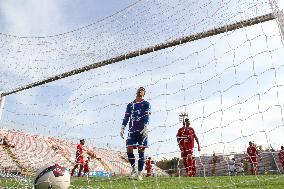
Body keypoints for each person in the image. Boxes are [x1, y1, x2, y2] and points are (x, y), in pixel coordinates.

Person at [120, 87, 151, 181]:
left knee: (141, 151)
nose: (141, 90)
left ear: (144, 93)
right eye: (140, 89)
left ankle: (139, 173)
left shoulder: (146, 104)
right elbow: (126, 117)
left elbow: (147, 116)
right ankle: (133, 169)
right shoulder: (130, 105)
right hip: (132, 131)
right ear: (137, 92)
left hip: (142, 131)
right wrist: (123, 127)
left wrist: (145, 126)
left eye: (143, 90)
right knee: (129, 149)